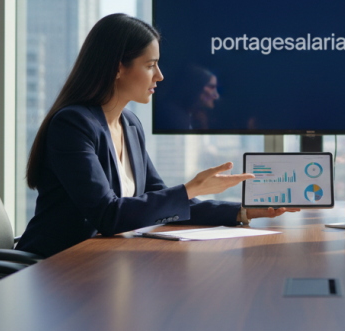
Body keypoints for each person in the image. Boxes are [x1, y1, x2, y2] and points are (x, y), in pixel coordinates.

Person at [18, 14, 295, 257]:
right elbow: (108, 216)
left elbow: (159, 201)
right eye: (150, 65)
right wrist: (192, 188)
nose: (160, 76)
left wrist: (242, 211)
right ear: (117, 67)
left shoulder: (130, 124)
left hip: (102, 262)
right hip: (56, 268)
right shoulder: (73, 125)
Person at [156, 64, 220, 130]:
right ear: (196, 87)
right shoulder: (175, 118)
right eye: (211, 87)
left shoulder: (191, 116)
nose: (216, 95)